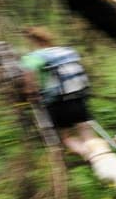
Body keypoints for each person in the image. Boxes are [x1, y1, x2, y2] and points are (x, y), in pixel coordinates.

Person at [20, 26, 96, 157]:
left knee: (66, 138)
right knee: (85, 131)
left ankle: (90, 157)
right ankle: (101, 155)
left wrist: (30, 92)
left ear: (33, 41)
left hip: (58, 102)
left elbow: (28, 76)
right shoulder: (66, 50)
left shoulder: (34, 56)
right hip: (78, 96)